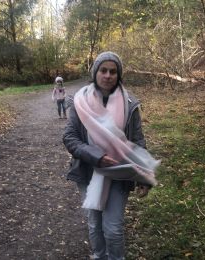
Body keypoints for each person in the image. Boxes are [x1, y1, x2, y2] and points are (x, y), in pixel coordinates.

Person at [63, 51, 156, 260]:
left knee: (113, 228)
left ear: (118, 74)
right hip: (88, 170)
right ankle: (99, 256)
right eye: (103, 70)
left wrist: (144, 176)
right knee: (94, 223)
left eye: (113, 71)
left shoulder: (130, 103)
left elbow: (138, 141)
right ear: (95, 72)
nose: (108, 75)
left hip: (119, 172)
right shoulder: (80, 102)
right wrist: (96, 157)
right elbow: (70, 138)